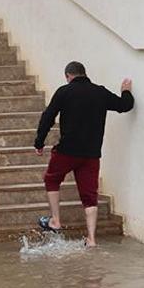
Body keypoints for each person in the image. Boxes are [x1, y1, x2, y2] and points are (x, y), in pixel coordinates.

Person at [34, 61, 134, 247]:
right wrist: (126, 90)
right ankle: (91, 239)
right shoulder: (100, 92)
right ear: (84, 73)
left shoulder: (64, 92)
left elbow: (48, 116)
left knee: (52, 179)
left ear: (68, 76)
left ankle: (55, 220)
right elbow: (124, 106)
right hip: (91, 154)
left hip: (67, 151)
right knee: (89, 195)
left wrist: (39, 142)